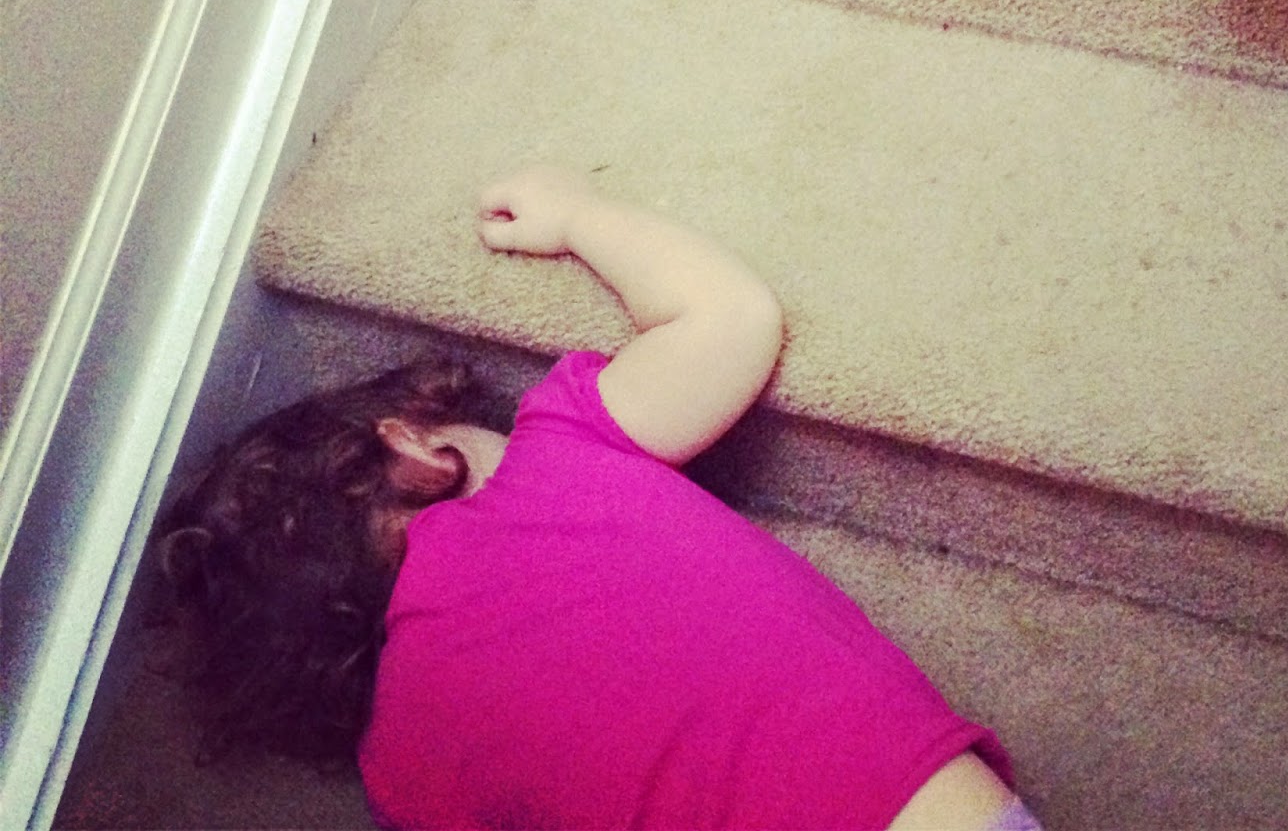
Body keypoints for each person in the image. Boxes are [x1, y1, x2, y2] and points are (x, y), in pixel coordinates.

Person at [156, 165, 1041, 831]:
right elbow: (730, 317)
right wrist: (580, 215)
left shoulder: (401, 765)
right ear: (412, 443)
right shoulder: (553, 452)